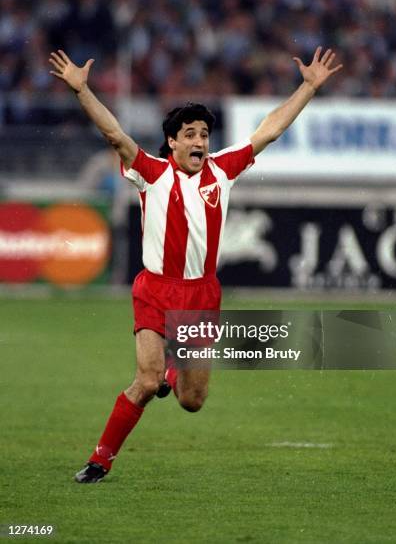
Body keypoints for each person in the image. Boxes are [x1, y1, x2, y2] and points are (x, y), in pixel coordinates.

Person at [48, 46, 342, 483]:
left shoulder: (222, 170)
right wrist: (82, 91)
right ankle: (101, 459)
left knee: (192, 400)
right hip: (154, 287)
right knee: (145, 382)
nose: (200, 141)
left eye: (204, 133)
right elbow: (115, 135)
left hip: (200, 294)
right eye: (190, 133)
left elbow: (270, 130)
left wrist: (307, 88)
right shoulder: (151, 171)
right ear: (172, 141)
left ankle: (174, 372)